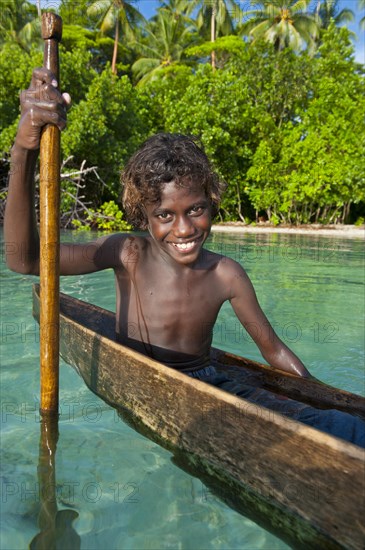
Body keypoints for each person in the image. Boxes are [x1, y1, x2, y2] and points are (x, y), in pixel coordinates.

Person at [4, 68, 365, 447]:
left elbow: (273, 350)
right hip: (144, 376)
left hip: (206, 382)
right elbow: (25, 260)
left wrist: (327, 399)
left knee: (343, 427)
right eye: (164, 215)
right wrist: (23, 150)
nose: (184, 229)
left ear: (211, 201)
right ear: (143, 215)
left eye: (196, 210)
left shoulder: (227, 274)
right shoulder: (127, 252)